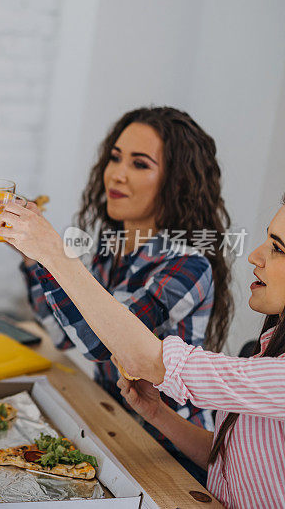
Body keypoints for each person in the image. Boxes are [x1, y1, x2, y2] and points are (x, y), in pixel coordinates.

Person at [1, 193, 285, 509]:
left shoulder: (187, 265)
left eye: (278, 249)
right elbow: (226, 463)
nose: (255, 256)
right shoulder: (270, 344)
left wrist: (51, 252)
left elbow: (138, 356)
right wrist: (155, 412)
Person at [19, 107, 232, 482]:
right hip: (114, 428)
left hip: (169, 454)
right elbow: (60, 333)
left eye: (140, 164)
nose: (117, 173)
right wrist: (32, 257)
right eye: (115, 158)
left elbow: (103, 344)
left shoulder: (189, 265)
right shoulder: (110, 247)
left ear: (177, 182)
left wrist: (50, 255)